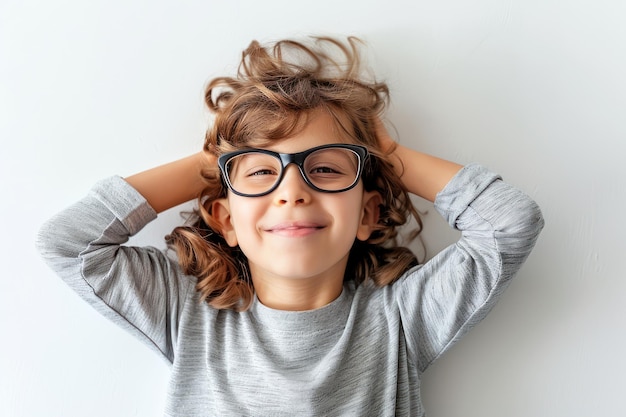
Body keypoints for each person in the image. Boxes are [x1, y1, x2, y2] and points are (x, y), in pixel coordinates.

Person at [36, 36, 544, 416]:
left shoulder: (401, 320)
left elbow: (508, 222)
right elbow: (70, 243)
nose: (292, 190)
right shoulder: (187, 313)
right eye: (260, 173)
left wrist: (381, 150)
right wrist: (214, 160)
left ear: (367, 214)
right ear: (225, 219)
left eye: (324, 167)